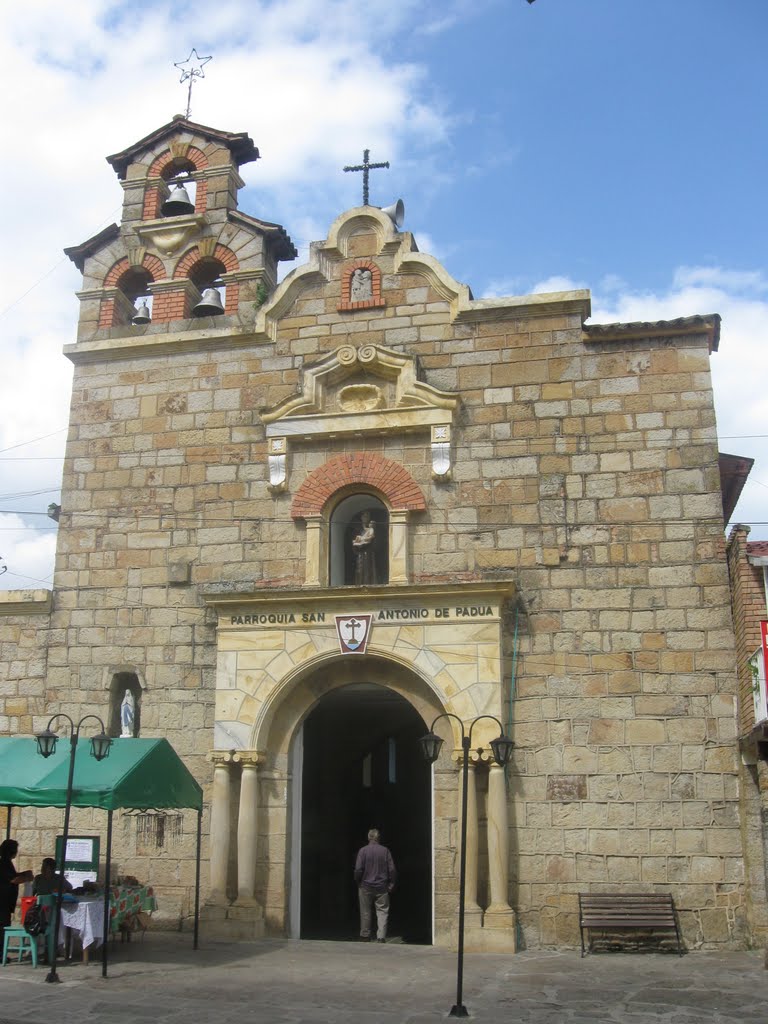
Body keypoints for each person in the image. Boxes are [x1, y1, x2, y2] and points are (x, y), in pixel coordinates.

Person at [354, 827, 396, 943]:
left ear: (369, 837)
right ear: (378, 838)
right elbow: (391, 869)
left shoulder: (363, 851)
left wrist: (358, 881)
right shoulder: (385, 851)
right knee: (382, 911)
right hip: (382, 886)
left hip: (365, 886)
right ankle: (381, 936)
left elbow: (358, 869)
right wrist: (391, 883)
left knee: (365, 910)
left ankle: (365, 935)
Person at [0, 839, 33, 945]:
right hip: (3, 901)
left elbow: (12, 876)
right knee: (3, 926)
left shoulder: (6, 863)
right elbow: (13, 879)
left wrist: (23, 874)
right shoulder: (4, 863)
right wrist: (26, 877)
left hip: (5, 901)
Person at [352, 511, 377, 585]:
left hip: (369, 553)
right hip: (359, 552)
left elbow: (373, 539)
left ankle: (369, 584)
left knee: (368, 569)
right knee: (359, 570)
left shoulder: (371, 529)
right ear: (361, 517)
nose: (365, 518)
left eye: (367, 516)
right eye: (364, 516)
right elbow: (354, 541)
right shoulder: (357, 530)